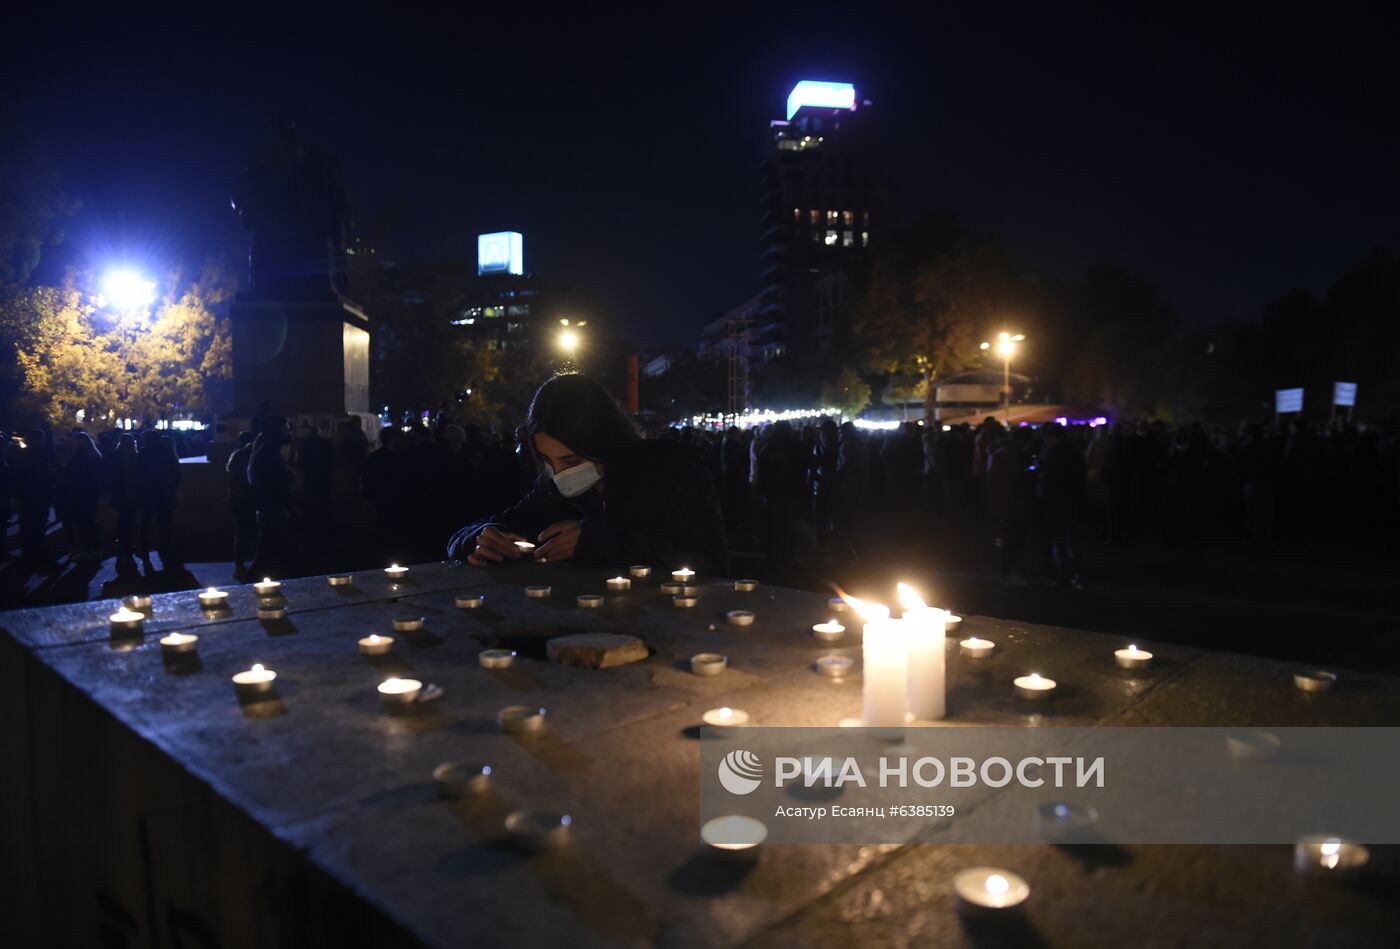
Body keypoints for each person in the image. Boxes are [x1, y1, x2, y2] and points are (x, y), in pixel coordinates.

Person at [447, 374, 727, 573]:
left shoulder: (672, 468)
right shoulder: (550, 490)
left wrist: (595, 542)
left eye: (571, 460)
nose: (558, 474)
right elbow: (477, 531)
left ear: (604, 441)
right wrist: (479, 539)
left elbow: (708, 560)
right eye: (547, 460)